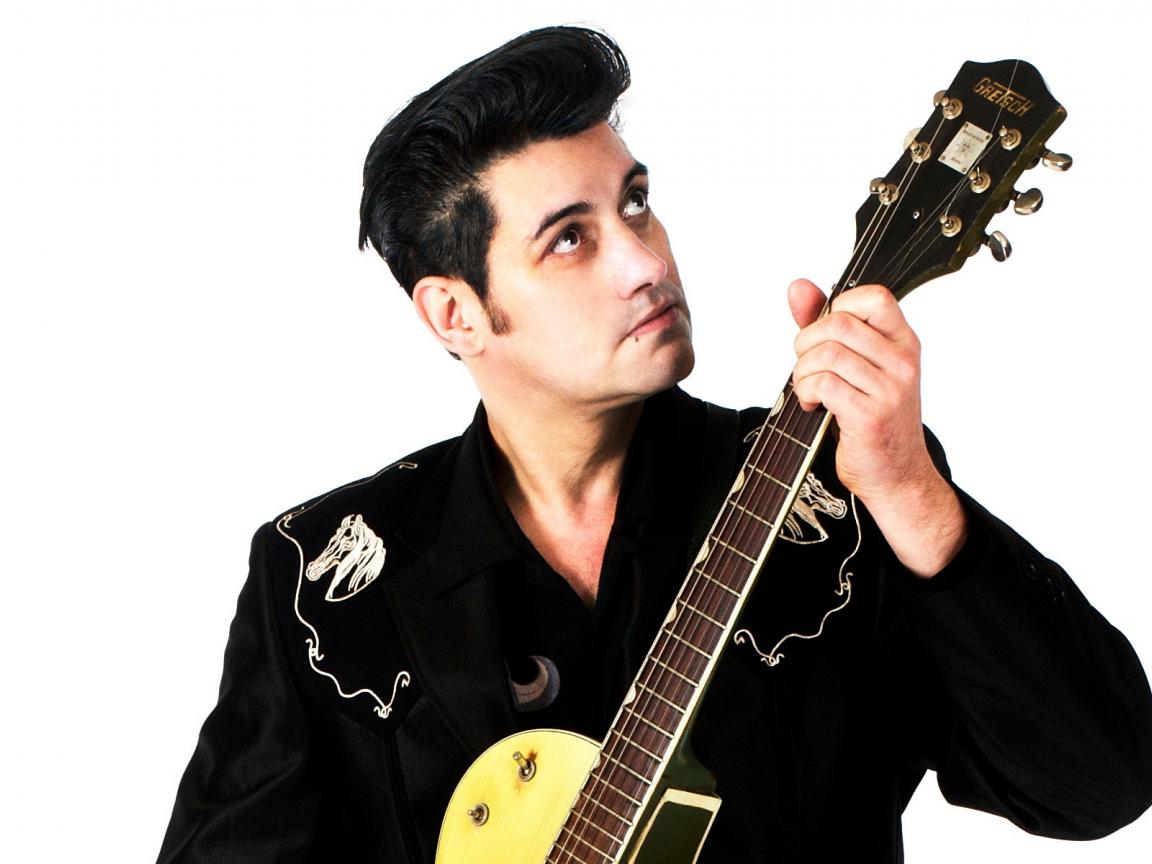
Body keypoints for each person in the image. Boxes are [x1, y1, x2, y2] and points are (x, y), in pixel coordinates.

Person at [156, 25, 1152, 863]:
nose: (643, 259)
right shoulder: (321, 583)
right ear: (455, 312)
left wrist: (913, 496)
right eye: (569, 237)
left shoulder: (844, 498)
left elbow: (1100, 784)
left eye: (635, 201)